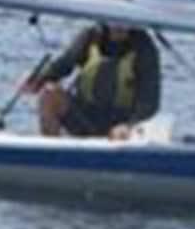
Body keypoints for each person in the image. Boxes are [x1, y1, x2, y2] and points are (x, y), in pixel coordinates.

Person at [23, 20, 161, 140]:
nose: (119, 27)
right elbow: (63, 65)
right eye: (114, 22)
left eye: (125, 24)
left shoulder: (145, 48)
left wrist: (130, 125)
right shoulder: (90, 36)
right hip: (85, 116)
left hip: (120, 124)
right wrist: (37, 80)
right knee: (49, 93)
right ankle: (51, 155)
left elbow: (149, 102)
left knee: (125, 133)